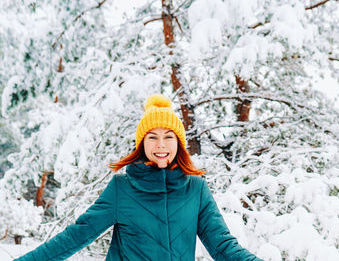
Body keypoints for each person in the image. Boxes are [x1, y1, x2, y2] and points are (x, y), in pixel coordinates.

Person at [15, 94, 263, 261]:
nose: (161, 144)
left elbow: (223, 247)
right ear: (141, 143)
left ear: (179, 142)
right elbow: (77, 235)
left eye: (168, 136)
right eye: (152, 137)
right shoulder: (122, 188)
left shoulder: (195, 189)